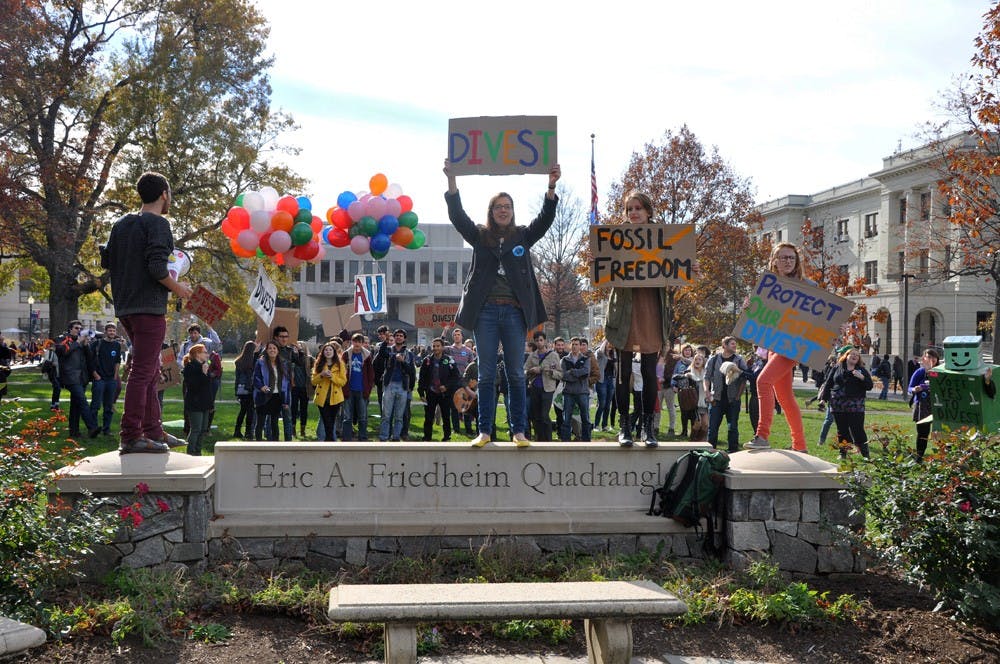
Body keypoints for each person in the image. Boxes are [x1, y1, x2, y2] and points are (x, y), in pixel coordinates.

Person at [443, 158, 561, 448]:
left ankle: (518, 431)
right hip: (485, 312)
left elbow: (545, 221)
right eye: (498, 207)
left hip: (514, 313)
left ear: (512, 211)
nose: (503, 211)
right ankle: (484, 431)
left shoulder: (522, 235)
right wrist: (452, 180)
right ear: (491, 212)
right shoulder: (480, 236)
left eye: (507, 207)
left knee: (516, 374)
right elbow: (458, 217)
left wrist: (551, 186)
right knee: (484, 373)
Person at [103, 172, 192, 454]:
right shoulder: (159, 224)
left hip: (126, 307)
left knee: (151, 368)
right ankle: (131, 435)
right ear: (164, 194)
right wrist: (179, 289)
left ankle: (154, 430)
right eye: (170, 194)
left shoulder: (121, 224)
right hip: (148, 308)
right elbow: (156, 268)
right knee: (143, 372)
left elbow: (108, 260)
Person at [602, 192, 671, 448]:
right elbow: (605, 273)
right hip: (625, 312)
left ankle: (647, 427)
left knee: (649, 372)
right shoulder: (614, 240)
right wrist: (598, 264)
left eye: (638, 208)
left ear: (648, 211)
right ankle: (625, 426)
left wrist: (688, 269)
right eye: (629, 208)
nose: (633, 213)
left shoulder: (665, 238)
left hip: (651, 310)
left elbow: (675, 269)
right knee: (623, 372)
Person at [745, 243, 810, 452]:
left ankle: (762, 436)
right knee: (785, 397)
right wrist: (750, 309)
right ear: (774, 261)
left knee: (763, 381)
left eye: (792, 258)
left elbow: (820, 318)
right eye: (783, 258)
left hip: (793, 345)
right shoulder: (767, 286)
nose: (788, 261)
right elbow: (760, 319)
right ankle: (800, 446)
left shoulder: (807, 286)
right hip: (774, 344)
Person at [823, 346, 873, 458]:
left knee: (858, 430)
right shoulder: (837, 368)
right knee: (842, 430)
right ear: (846, 356)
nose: (855, 356)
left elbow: (869, 386)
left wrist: (862, 377)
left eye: (857, 355)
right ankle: (843, 453)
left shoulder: (862, 370)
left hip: (855, 405)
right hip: (838, 405)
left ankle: (865, 454)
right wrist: (823, 398)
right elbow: (829, 383)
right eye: (852, 354)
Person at [55, 321, 100, 439]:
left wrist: (85, 345)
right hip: (70, 377)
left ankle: (74, 432)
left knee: (76, 405)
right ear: (70, 329)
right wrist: (78, 342)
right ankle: (92, 427)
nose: (78, 330)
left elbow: (90, 358)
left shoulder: (81, 341)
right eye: (76, 328)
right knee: (82, 401)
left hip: (82, 378)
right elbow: (62, 352)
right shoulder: (63, 339)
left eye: (80, 328)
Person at [705, 337, 749, 452]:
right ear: (724, 345)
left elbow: (744, 378)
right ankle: (710, 453)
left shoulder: (739, 360)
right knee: (712, 429)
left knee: (732, 428)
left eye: (735, 344)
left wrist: (738, 396)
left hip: (733, 400)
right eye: (732, 344)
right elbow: (707, 378)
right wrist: (707, 393)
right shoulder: (713, 360)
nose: (735, 346)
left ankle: (733, 453)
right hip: (716, 400)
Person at [418, 338, 460, 442]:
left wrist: (446, 386)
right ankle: (427, 437)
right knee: (428, 417)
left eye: (438, 346)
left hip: (444, 394)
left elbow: (456, 377)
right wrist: (421, 392)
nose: (435, 348)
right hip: (431, 392)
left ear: (442, 347)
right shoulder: (427, 360)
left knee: (446, 416)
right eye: (434, 346)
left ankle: (447, 437)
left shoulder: (449, 360)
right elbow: (422, 377)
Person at [379, 329, 416, 442]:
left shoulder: (408, 353)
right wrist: (385, 341)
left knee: (399, 416)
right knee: (386, 415)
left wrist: (403, 361)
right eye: (397, 336)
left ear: (404, 339)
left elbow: (411, 371)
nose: (399, 337)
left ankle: (396, 437)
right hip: (389, 385)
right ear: (394, 338)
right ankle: (384, 437)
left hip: (402, 386)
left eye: (401, 336)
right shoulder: (389, 350)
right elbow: (381, 354)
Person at [89, 322, 124, 435]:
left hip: (111, 380)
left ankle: (106, 429)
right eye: (110, 330)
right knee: (95, 405)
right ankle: (93, 428)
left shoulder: (117, 345)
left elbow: (118, 361)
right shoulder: (97, 344)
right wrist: (95, 375)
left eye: (113, 331)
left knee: (108, 406)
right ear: (106, 332)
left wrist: (115, 376)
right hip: (99, 379)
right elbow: (89, 360)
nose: (112, 333)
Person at [525, 332, 561, 441]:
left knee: (544, 415)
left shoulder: (553, 355)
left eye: (541, 340)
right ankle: (539, 439)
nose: (539, 342)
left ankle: (548, 440)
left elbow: (560, 373)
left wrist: (549, 371)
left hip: (548, 389)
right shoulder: (532, 356)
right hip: (535, 388)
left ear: (545, 341)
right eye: (537, 340)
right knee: (536, 416)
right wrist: (531, 370)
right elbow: (525, 370)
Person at [340, 333, 375, 441]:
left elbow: (370, 374)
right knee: (347, 416)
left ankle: (362, 437)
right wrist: (343, 388)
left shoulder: (367, 356)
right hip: (349, 389)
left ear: (362, 343)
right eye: (355, 341)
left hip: (362, 390)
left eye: (359, 342)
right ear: (352, 342)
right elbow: (341, 371)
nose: (357, 344)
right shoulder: (346, 355)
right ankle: (347, 437)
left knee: (362, 416)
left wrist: (368, 389)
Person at [253, 341, 289, 441]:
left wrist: (286, 401)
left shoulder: (283, 363)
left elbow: (286, 382)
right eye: (270, 348)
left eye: (274, 348)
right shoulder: (260, 362)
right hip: (263, 396)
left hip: (277, 396)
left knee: (274, 423)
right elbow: (255, 377)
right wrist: (261, 387)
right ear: (266, 350)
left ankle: (275, 445)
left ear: (278, 351)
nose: (272, 350)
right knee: (260, 422)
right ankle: (258, 444)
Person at [181, 343, 213, 456]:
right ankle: (191, 453)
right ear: (197, 354)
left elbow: (207, 385)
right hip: (195, 403)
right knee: (196, 429)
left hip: (204, 403)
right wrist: (204, 374)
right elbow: (194, 386)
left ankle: (198, 452)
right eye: (204, 352)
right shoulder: (190, 367)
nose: (207, 354)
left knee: (203, 429)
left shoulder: (203, 365)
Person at [908, 348, 940, 460]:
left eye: (934, 357)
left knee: (940, 433)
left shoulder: (941, 371)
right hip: (922, 406)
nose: (932, 359)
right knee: (923, 433)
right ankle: (919, 456)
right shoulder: (919, 372)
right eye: (929, 357)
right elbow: (909, 388)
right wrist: (915, 389)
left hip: (937, 405)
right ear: (924, 358)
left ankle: (944, 457)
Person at [312, 341, 347, 442]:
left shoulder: (340, 364)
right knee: (327, 422)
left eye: (330, 350)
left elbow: (342, 382)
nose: (328, 352)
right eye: (326, 350)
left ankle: (330, 443)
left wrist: (332, 376)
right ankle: (329, 443)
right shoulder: (318, 363)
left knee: (331, 423)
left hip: (335, 398)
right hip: (322, 398)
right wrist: (322, 375)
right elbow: (313, 381)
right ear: (322, 352)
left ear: (334, 352)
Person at [559, 337, 593, 442]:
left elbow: (586, 372)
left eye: (577, 344)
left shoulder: (586, 359)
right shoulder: (564, 360)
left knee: (585, 418)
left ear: (580, 346)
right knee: (566, 418)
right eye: (572, 344)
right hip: (568, 392)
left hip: (582, 392)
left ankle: (586, 440)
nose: (574, 346)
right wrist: (578, 374)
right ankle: (566, 441)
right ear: (570, 345)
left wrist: (572, 372)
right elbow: (563, 375)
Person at [444, 328, 476, 436]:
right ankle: (456, 429)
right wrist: (444, 332)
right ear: (453, 337)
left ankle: (469, 429)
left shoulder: (468, 351)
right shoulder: (448, 349)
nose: (457, 336)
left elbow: (473, 366)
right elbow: (438, 345)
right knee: (454, 406)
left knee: (467, 406)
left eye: (458, 334)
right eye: (455, 335)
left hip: (465, 382)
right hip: (452, 382)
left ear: (462, 336)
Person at [232, 340, 257, 439]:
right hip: (250, 388)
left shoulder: (239, 361)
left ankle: (237, 430)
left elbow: (237, 378)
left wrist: (236, 391)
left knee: (242, 411)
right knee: (250, 411)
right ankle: (248, 432)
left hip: (241, 388)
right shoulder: (253, 361)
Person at [593, 339, 616, 433]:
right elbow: (599, 352)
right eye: (608, 343)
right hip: (602, 380)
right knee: (601, 404)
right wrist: (607, 339)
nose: (610, 345)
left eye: (611, 343)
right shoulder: (600, 353)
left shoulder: (613, 354)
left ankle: (604, 425)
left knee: (607, 405)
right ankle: (596, 425)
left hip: (611, 380)